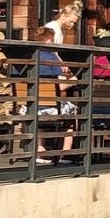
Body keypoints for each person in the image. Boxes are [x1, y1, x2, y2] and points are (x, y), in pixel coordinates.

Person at [33, 26, 76, 164]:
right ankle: (65, 154)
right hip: (51, 106)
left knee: (42, 118)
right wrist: (74, 81)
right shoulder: (51, 57)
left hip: (30, 106)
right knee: (73, 112)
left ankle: (39, 149)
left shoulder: (30, 55)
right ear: (50, 40)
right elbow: (59, 86)